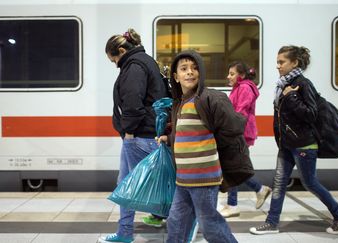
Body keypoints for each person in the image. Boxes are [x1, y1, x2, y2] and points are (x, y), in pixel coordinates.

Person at [250, 45, 338, 235]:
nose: (278, 66)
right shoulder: (283, 85)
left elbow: (311, 115)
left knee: (310, 183)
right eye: (277, 62)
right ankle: (272, 223)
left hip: (304, 144)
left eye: (282, 62)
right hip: (287, 144)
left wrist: (293, 97)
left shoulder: (303, 84)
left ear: (294, 62)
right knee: (279, 182)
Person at [157, 50, 255, 243]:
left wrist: (217, 144)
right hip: (183, 178)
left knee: (209, 225)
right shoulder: (180, 104)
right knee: (176, 221)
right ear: (175, 77)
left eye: (194, 68)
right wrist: (168, 139)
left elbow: (235, 126)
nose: (190, 72)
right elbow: (184, 132)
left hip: (204, 177)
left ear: (200, 72)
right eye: (184, 69)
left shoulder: (209, 98)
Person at [99, 28, 168, 243]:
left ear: (121, 50)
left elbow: (132, 103)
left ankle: (188, 222)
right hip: (144, 134)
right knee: (128, 185)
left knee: (132, 185)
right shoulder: (145, 61)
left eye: (114, 60)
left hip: (139, 136)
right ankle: (125, 232)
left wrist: (128, 132)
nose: (115, 64)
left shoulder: (134, 66)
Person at [219, 61, 272, 218]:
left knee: (233, 167)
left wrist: (228, 126)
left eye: (232, 74)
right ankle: (259, 190)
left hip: (240, 132)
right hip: (237, 131)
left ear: (241, 75)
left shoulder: (244, 88)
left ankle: (233, 204)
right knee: (235, 167)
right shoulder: (239, 88)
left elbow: (240, 113)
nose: (228, 76)